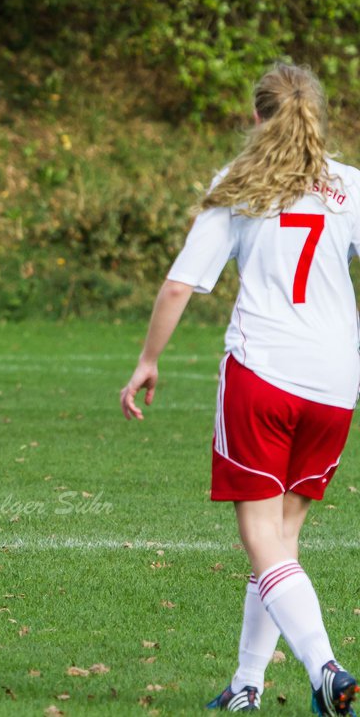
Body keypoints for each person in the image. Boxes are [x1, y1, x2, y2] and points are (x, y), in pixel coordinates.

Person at [119, 63, 359, 715]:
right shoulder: (350, 185)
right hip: (336, 383)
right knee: (282, 539)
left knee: (260, 536)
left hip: (263, 374)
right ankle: (246, 685)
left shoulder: (240, 183)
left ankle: (326, 669)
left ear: (256, 118)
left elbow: (178, 286)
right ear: (317, 114)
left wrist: (147, 360)